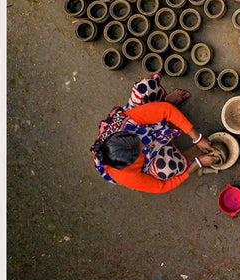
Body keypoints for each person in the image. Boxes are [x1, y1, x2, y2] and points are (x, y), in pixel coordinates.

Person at [91, 73, 220, 192]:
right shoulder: (124, 175)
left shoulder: (125, 123)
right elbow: (162, 187)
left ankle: (165, 103)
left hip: (141, 125)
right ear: (132, 162)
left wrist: (197, 138)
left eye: (139, 140)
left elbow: (166, 110)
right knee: (169, 169)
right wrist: (198, 164)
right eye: (141, 149)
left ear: (125, 133)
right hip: (149, 156)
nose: (145, 144)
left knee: (146, 88)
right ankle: (188, 155)